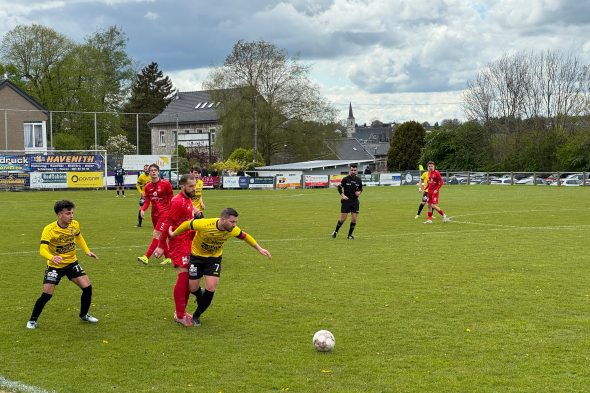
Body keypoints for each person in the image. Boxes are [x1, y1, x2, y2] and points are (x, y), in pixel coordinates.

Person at [168, 208, 272, 327]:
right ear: (223, 219)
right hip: (197, 258)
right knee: (192, 288)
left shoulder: (232, 230)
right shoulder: (204, 224)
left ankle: (197, 315)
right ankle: (201, 295)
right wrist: (173, 234)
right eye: (232, 222)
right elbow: (187, 224)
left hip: (213, 259)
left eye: (236, 222)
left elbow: (245, 236)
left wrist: (259, 248)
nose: (234, 225)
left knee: (211, 287)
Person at [26, 200, 99, 329]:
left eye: (72, 213)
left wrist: (87, 251)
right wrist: (52, 257)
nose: (72, 216)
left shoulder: (75, 224)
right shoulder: (49, 229)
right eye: (68, 213)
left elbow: (79, 237)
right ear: (60, 214)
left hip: (71, 263)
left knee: (87, 288)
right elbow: (42, 249)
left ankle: (84, 314)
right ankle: (32, 320)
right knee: (47, 294)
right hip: (55, 266)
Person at [154, 174, 198, 327]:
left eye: (195, 186)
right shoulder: (178, 201)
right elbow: (168, 224)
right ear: (182, 186)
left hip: (188, 241)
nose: (194, 189)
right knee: (184, 276)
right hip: (178, 243)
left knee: (189, 278)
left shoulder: (188, 200)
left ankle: (181, 311)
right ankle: (179, 315)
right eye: (191, 186)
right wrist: (160, 245)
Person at [137, 164, 174, 265]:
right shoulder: (148, 186)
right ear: (149, 173)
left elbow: (172, 198)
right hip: (154, 215)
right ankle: (168, 257)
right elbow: (147, 200)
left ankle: (146, 257)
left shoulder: (166, 184)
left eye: (155, 170)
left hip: (165, 214)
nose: (153, 172)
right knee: (160, 236)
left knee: (156, 235)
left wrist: (173, 211)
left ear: (158, 172)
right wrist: (143, 209)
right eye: (151, 170)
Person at [331, 164, 363, 239]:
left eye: (354, 170)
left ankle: (349, 235)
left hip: (355, 201)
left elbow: (361, 189)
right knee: (343, 219)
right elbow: (339, 188)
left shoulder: (358, 180)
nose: (353, 171)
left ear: (356, 171)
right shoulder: (345, 179)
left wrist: (359, 193)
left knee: (354, 219)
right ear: (350, 170)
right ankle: (335, 231)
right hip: (346, 201)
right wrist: (342, 195)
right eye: (352, 170)